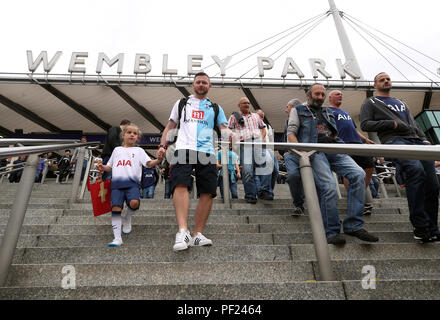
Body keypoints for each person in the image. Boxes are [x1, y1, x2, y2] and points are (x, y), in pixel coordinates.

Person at [287, 83, 378, 245]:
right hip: (315, 151)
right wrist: (302, 153)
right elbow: (291, 133)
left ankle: (354, 225)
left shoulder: (327, 111)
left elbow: (334, 133)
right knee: (329, 186)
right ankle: (331, 230)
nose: (320, 97)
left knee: (359, 174)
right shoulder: (298, 110)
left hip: (334, 148)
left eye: (323, 94)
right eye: (317, 94)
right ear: (309, 96)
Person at [157, 72, 234, 252]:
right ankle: (183, 231)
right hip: (183, 148)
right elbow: (170, 127)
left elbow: (224, 128)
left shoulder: (215, 107)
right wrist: (162, 145)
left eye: (204, 82)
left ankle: (197, 235)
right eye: (198, 82)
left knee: (208, 192)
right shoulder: (182, 103)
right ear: (193, 85)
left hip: (207, 151)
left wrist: (232, 135)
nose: (201, 85)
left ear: (209, 86)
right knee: (180, 185)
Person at [360, 72, 440, 242]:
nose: (386, 81)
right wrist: (392, 124)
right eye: (381, 79)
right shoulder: (371, 102)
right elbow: (365, 124)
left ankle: (433, 228)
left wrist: (425, 140)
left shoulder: (401, 102)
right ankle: (420, 226)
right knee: (415, 171)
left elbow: (413, 123)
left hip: (417, 141)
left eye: (388, 78)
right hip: (395, 140)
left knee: (433, 184)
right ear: (375, 85)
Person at [97, 123, 163, 247]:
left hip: (133, 184)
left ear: (137, 138)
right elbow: (109, 167)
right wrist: (102, 167)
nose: (132, 135)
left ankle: (127, 217)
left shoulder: (139, 151)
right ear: (123, 135)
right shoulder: (117, 150)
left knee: (134, 203)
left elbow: (148, 163)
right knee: (116, 208)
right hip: (116, 185)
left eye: (135, 133)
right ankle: (117, 238)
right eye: (129, 132)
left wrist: (158, 160)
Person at [328, 90, 376, 215]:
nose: (340, 96)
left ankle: (357, 195)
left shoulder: (345, 113)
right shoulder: (327, 111)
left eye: (341, 94)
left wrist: (365, 139)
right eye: (337, 94)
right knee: (349, 172)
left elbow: (354, 130)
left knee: (370, 166)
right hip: (343, 145)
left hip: (358, 145)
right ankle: (354, 201)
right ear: (330, 98)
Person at [228, 97, 272, 203]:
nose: (247, 104)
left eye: (248, 103)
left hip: (257, 141)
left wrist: (261, 139)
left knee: (267, 163)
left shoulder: (256, 116)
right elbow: (228, 130)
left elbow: (263, 128)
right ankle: (250, 195)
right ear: (239, 105)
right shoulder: (234, 117)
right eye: (244, 103)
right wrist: (233, 143)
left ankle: (264, 191)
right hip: (244, 143)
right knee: (247, 169)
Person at [283, 98, 306, 215]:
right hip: (291, 154)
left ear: (292, 107)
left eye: (287, 107)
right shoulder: (287, 121)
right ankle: (298, 205)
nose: (285, 110)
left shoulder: (305, 117)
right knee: (293, 176)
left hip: (307, 153)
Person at [256, 109, 279, 200]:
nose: (260, 117)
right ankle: (264, 191)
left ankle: (269, 190)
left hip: (269, 149)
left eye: (262, 116)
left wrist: (274, 152)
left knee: (276, 169)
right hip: (259, 149)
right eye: (259, 115)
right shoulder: (254, 125)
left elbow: (271, 139)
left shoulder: (268, 126)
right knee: (263, 170)